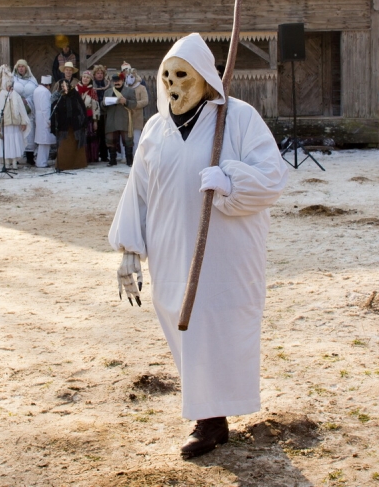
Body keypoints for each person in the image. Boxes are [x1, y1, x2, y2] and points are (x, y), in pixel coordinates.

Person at [108, 33, 288, 459]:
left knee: (216, 326)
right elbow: (138, 191)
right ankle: (210, 414)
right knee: (185, 329)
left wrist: (231, 181)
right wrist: (130, 250)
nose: (173, 83)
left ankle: (209, 419)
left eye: (182, 75)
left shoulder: (238, 118)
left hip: (223, 253)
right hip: (170, 252)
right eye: (167, 75)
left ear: (205, 78)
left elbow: (273, 175)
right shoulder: (154, 128)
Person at [0, 67, 30, 169]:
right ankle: (6, 161)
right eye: (8, 86)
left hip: (15, 125)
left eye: (11, 86)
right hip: (5, 126)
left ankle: (15, 161)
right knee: (6, 143)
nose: (10, 88)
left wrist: (23, 122)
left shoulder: (16, 95)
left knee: (15, 143)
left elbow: (21, 110)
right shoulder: (0, 97)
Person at [51, 78, 88, 171]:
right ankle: (63, 165)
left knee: (77, 146)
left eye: (66, 85)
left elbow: (82, 108)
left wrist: (83, 121)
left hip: (76, 125)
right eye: (62, 86)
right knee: (64, 147)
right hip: (64, 126)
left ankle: (78, 164)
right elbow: (54, 112)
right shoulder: (57, 97)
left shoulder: (75, 95)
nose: (64, 87)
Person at [102, 72, 137, 166]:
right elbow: (103, 106)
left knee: (128, 141)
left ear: (123, 80)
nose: (116, 82)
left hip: (124, 119)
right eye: (115, 81)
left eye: (118, 80)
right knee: (110, 141)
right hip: (111, 119)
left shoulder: (129, 91)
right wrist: (104, 103)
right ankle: (112, 160)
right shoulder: (108, 92)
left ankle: (129, 161)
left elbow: (134, 104)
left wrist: (126, 101)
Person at [12, 59, 39, 166]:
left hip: (29, 110)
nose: (21, 69)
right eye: (19, 67)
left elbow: (35, 95)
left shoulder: (32, 80)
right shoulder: (12, 79)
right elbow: (9, 92)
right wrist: (18, 100)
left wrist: (27, 101)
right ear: (16, 68)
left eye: (23, 66)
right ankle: (16, 157)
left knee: (29, 132)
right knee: (17, 133)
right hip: (16, 110)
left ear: (26, 68)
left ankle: (30, 157)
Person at [122, 64, 150, 154]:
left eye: (131, 76)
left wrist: (133, 105)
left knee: (136, 137)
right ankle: (124, 156)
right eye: (127, 76)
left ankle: (136, 155)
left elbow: (145, 101)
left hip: (137, 115)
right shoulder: (124, 88)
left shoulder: (141, 88)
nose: (129, 78)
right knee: (124, 137)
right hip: (125, 115)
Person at [76, 70, 101, 163]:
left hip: (89, 117)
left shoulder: (92, 91)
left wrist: (95, 121)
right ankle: (80, 157)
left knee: (90, 138)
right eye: (84, 77)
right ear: (81, 78)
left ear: (90, 80)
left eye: (87, 78)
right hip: (78, 118)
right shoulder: (76, 89)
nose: (85, 79)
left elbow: (95, 106)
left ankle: (90, 158)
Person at [32, 75, 56, 168]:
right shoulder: (45, 92)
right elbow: (45, 108)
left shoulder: (37, 90)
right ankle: (42, 162)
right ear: (48, 85)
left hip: (38, 117)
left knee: (42, 141)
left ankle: (40, 161)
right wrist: (48, 120)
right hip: (43, 117)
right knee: (45, 142)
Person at [92, 64, 110, 163]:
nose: (99, 75)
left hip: (104, 112)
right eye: (98, 73)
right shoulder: (92, 84)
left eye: (101, 73)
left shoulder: (107, 84)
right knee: (94, 135)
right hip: (94, 113)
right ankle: (94, 155)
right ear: (94, 74)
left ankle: (104, 155)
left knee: (104, 134)